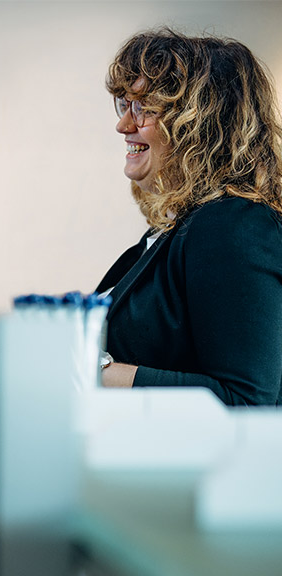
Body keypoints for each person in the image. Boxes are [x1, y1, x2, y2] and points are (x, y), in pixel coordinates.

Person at [97, 28, 282, 406]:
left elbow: (246, 400)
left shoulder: (233, 225)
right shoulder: (181, 227)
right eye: (125, 104)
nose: (124, 125)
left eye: (144, 107)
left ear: (199, 122)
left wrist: (95, 374)